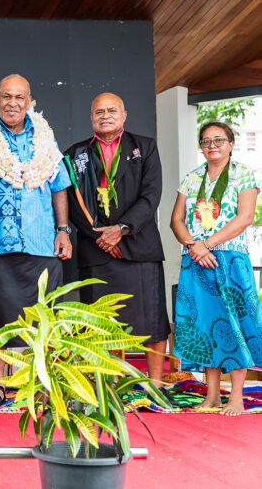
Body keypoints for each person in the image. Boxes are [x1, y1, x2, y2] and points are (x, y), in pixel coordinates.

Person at [0, 74, 72, 408]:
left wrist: (63, 229)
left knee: (46, 317)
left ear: (30, 101)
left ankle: (46, 383)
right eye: (6, 97)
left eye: (19, 97)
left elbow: (59, 184)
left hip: (42, 242)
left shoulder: (46, 137)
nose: (12, 103)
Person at [64, 92, 170, 391]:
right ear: (91, 117)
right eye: (99, 111)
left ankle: (156, 385)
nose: (105, 116)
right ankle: (108, 386)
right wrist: (102, 235)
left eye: (112, 110)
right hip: (96, 248)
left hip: (139, 245)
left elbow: (151, 195)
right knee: (101, 323)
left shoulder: (144, 147)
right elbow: (71, 201)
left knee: (152, 320)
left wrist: (121, 229)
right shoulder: (75, 153)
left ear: (124, 115)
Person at [170, 121, 262, 415]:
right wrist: (192, 246)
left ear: (231, 144)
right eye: (206, 141)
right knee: (205, 325)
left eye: (219, 140)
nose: (212, 145)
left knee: (234, 324)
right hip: (196, 259)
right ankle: (211, 396)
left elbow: (245, 217)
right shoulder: (191, 177)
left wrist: (206, 243)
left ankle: (235, 395)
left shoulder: (244, 174)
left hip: (230, 259)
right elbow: (176, 220)